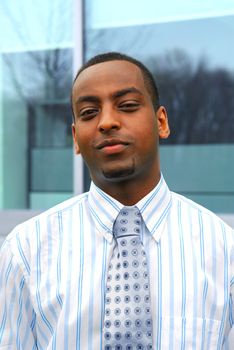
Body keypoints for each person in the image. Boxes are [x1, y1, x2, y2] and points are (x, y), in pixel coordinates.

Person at [0, 52, 233, 349]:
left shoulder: (223, 248)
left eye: (127, 106)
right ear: (75, 138)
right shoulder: (26, 250)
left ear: (161, 121)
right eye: (88, 113)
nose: (107, 122)